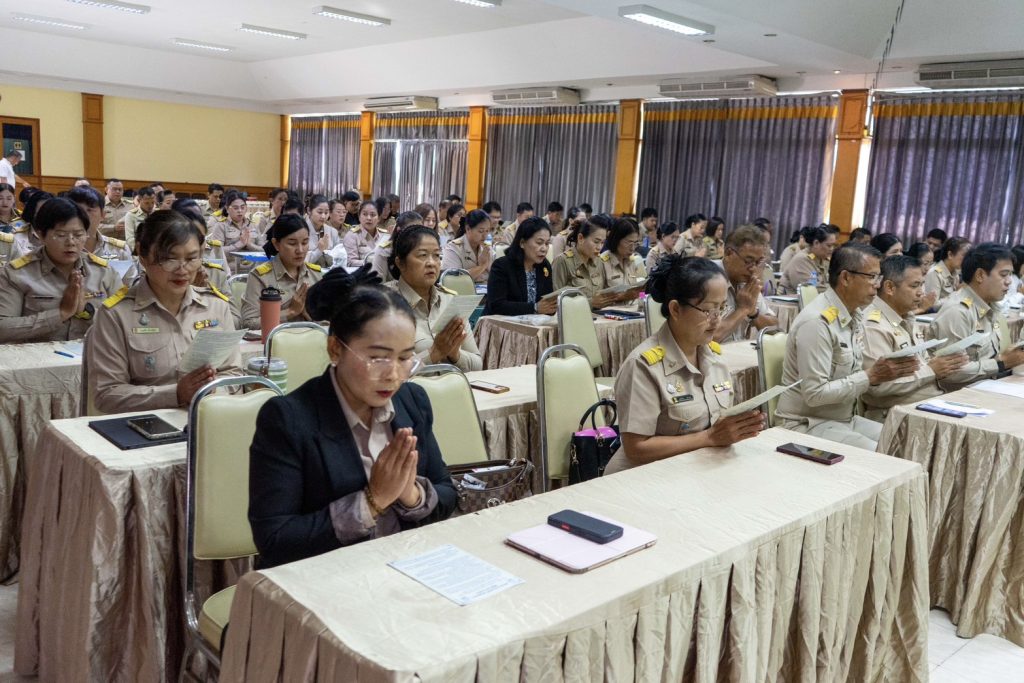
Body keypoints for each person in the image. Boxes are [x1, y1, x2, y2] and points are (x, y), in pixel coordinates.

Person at [248, 266, 457, 568]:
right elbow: (274, 540)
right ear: (335, 349)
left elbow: (447, 491)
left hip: (405, 567)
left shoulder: (412, 401)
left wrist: (410, 495)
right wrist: (372, 501)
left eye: (404, 358)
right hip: (323, 577)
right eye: (377, 358)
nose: (393, 374)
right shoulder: (288, 418)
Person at [604, 256, 764, 475]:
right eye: (708, 310)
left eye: (722, 308)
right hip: (643, 477)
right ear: (676, 309)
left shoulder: (714, 358)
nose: (717, 319)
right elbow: (636, 448)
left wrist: (736, 428)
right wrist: (709, 437)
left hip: (696, 469)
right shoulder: (643, 366)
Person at [87, 210, 242, 413]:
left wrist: (210, 391)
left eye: (192, 258)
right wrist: (176, 394)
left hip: (206, 419)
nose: (182, 269)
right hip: (142, 424)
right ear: (143, 255)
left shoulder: (216, 307)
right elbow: (107, 395)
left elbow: (234, 375)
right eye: (169, 259)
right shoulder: (116, 315)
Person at [775, 243, 919, 449]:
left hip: (843, 419)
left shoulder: (854, 314)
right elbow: (815, 394)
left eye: (878, 277)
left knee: (906, 442)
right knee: (884, 452)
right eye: (871, 277)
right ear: (845, 278)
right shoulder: (817, 323)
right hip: (806, 424)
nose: (877, 285)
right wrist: (871, 376)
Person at [860, 255, 968, 421]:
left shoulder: (906, 316)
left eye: (922, 284)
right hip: (895, 414)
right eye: (914, 286)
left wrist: (944, 364)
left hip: (926, 403)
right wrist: (931, 370)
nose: (921, 293)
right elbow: (878, 387)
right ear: (889, 287)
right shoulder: (873, 325)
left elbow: (921, 363)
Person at [0, 197, 119, 343]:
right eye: (61, 235)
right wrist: (61, 314)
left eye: (78, 235)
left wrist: (86, 311)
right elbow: (3, 329)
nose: (71, 242)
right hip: (37, 356)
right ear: (41, 235)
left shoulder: (104, 272)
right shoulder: (16, 274)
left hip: (91, 354)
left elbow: (124, 321)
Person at [929, 243, 1024, 391]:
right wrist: (1001, 363)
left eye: (1010, 274)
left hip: (988, 385)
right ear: (980, 275)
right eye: (1003, 275)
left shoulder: (992, 307)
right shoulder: (958, 311)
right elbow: (952, 373)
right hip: (959, 394)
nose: (1009, 281)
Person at [385, 226, 482, 371]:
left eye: (437, 255)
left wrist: (455, 354)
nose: (431, 263)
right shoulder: (384, 304)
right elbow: (386, 369)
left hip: (452, 384)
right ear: (400, 263)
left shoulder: (450, 301)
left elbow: (478, 365)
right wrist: (434, 353)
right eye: (422, 255)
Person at [241, 214, 323, 330]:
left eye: (305, 243)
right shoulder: (260, 277)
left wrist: (310, 315)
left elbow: (329, 322)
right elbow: (249, 323)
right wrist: (290, 312)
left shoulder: (315, 275)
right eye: (292, 243)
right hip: (275, 340)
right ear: (276, 244)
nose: (300, 250)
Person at [713, 225, 778, 343]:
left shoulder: (748, 281)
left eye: (758, 262)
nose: (753, 269)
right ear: (728, 253)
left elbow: (775, 329)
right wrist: (743, 309)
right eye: (748, 261)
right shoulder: (708, 277)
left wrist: (754, 313)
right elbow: (709, 337)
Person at [483, 217, 556, 316]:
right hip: (502, 323)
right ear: (522, 243)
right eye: (539, 243)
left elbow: (546, 303)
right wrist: (534, 308)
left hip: (535, 323)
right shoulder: (502, 266)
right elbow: (497, 305)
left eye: (547, 244)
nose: (544, 249)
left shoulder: (544, 266)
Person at [551, 214, 616, 308]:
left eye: (602, 243)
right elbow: (556, 301)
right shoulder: (563, 261)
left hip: (599, 314)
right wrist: (590, 303)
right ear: (581, 238)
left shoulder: (599, 261)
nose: (599, 247)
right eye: (596, 242)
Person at [68, 187, 132, 261]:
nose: (83, 215)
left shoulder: (119, 250)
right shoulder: (61, 249)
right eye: (78, 210)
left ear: (102, 215)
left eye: (89, 210)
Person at [370, 210, 427, 283]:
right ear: (399, 230)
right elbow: (378, 284)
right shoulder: (384, 251)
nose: (416, 236)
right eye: (411, 231)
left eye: (420, 231)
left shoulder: (424, 249)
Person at [778, 225, 835, 293]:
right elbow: (811, 288)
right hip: (788, 297)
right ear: (816, 243)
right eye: (829, 245)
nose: (832, 249)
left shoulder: (821, 259)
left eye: (834, 245)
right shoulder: (802, 259)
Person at [440, 209, 491, 282]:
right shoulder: (453, 248)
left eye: (487, 231)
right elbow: (452, 280)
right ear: (468, 229)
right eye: (481, 231)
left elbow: (494, 274)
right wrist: (482, 266)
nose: (485, 236)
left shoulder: (487, 248)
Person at [600, 217, 647, 295]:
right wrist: (622, 297)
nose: (632, 248)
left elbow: (640, 291)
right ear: (616, 240)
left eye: (635, 243)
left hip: (634, 303)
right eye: (629, 243)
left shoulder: (632, 261)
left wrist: (643, 299)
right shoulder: (602, 263)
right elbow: (597, 297)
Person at [304, 194, 347, 268]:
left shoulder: (333, 232)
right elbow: (300, 260)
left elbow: (339, 257)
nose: (323, 216)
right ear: (309, 211)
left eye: (326, 213)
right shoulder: (301, 230)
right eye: (320, 212)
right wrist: (319, 251)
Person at [925, 237, 970, 303]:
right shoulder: (934, 273)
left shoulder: (955, 274)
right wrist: (956, 293)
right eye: (964, 256)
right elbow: (932, 305)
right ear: (950, 255)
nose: (967, 260)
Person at [10, 190, 51, 260]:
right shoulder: (16, 235)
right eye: (41, 211)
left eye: (49, 211)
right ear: (32, 212)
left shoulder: (60, 235)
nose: (45, 215)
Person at [343, 200, 383, 267]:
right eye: (365, 214)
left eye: (373, 215)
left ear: (378, 218)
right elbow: (350, 262)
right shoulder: (352, 235)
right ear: (359, 217)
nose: (369, 218)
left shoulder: (384, 235)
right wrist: (371, 262)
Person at [123, 186, 157, 253]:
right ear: (139, 200)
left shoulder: (157, 214)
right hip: (139, 252)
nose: (150, 206)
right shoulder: (131, 215)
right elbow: (130, 240)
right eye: (147, 203)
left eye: (153, 202)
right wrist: (143, 251)